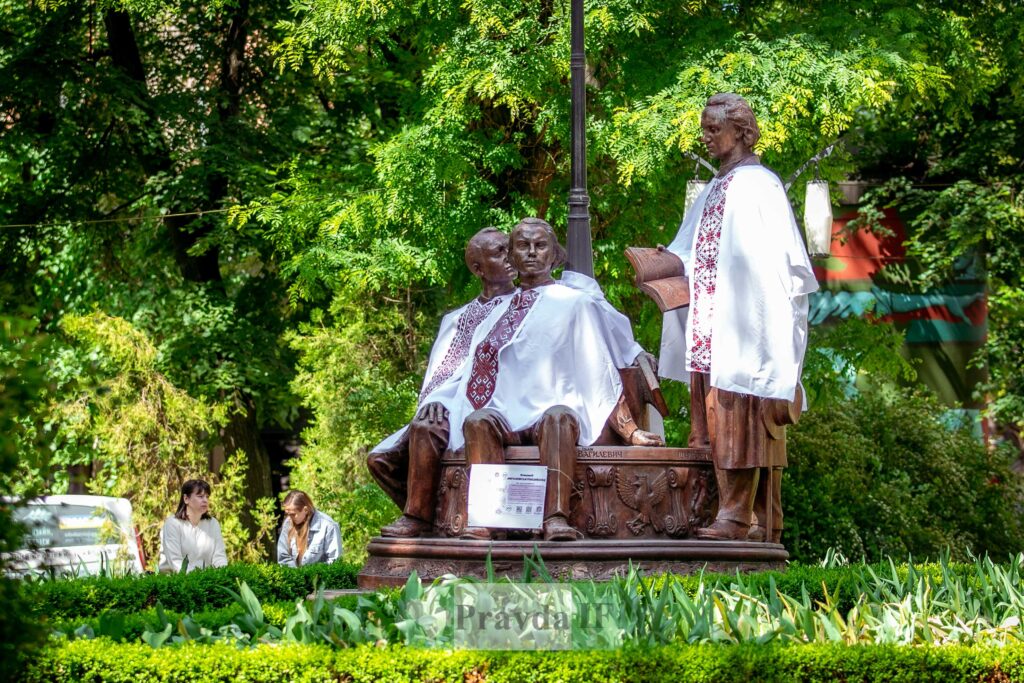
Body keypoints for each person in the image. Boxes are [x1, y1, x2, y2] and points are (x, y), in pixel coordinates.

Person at [659, 93, 818, 542]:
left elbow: (777, 265)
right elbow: (689, 251)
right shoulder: (715, 187)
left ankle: (738, 516)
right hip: (710, 321)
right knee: (715, 417)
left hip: (745, 326)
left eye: (714, 129)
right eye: (704, 128)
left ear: (742, 132)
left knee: (740, 415)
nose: (706, 137)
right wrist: (662, 262)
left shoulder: (758, 185)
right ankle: (744, 515)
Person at [459, 217, 663, 541]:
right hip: (508, 414)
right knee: (477, 421)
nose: (531, 253)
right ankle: (486, 519)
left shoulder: (575, 303)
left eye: (540, 246)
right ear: (511, 256)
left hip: (554, 412)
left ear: (554, 254)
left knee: (557, 418)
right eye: (522, 246)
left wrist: (630, 429)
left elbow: (599, 370)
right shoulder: (496, 309)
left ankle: (555, 518)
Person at [366, 227, 518, 538]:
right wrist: (432, 401)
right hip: (451, 403)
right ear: (478, 268)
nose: (510, 257)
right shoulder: (456, 319)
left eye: (509, 249)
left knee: (432, 428)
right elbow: (440, 373)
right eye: (499, 252)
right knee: (381, 459)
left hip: (502, 405)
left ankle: (420, 517)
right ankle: (434, 519)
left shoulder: (526, 305)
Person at [158, 479, 228, 573]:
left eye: (207, 497)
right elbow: (175, 562)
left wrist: (222, 575)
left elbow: (219, 557)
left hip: (207, 582)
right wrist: (198, 579)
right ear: (186, 499)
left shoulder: (213, 523)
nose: (205, 500)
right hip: (176, 582)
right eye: (200, 496)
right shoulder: (172, 524)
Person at [276, 490, 342, 567]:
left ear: (305, 510)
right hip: (295, 577)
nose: (290, 517)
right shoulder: (288, 522)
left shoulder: (328, 526)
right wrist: (297, 576)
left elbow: (334, 561)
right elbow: (283, 557)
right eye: (288, 514)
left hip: (321, 577)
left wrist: (312, 575)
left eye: (293, 514)